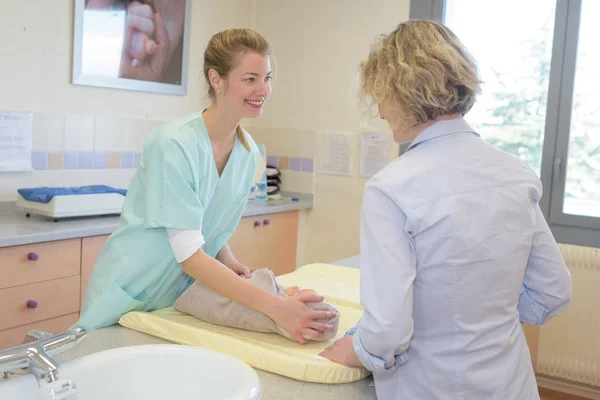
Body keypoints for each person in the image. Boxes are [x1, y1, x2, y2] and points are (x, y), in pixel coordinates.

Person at [319, 20, 572, 399]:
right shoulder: (515, 173)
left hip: (433, 386)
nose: (382, 112)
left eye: (381, 96)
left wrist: (355, 350)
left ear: (400, 91)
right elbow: (554, 290)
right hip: (510, 384)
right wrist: (478, 315)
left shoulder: (391, 188)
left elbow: (388, 331)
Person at [76, 28, 335, 345]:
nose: (263, 89)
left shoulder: (247, 151)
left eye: (267, 78)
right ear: (216, 79)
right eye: (250, 78)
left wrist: (229, 260)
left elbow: (206, 218)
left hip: (176, 301)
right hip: (131, 293)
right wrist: (277, 308)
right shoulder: (174, 145)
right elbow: (189, 254)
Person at [174, 267, 340, 342]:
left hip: (182, 286)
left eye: (299, 292)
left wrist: (228, 261)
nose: (296, 286)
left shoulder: (269, 294)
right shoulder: (271, 294)